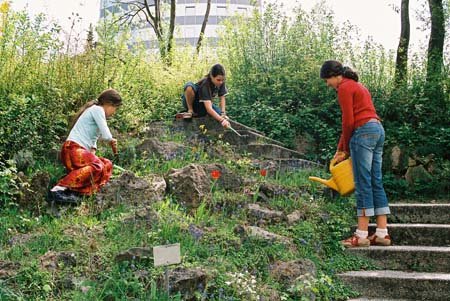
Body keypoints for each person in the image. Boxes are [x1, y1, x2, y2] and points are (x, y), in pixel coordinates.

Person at [320, 60, 391, 248]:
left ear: (334, 76)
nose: (328, 84)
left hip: (364, 132)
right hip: (378, 130)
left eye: (327, 80)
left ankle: (361, 236)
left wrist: (343, 149)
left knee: (362, 182)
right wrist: (343, 146)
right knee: (376, 181)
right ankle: (382, 233)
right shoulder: (359, 86)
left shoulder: (344, 88)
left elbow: (348, 122)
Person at [49, 88, 122, 202]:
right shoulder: (97, 110)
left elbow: (93, 143)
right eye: (115, 108)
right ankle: (59, 188)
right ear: (109, 104)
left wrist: (94, 154)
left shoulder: (96, 113)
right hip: (72, 149)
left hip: (80, 154)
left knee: (106, 164)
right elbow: (106, 135)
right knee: (97, 165)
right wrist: (111, 140)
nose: (114, 112)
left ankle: (82, 191)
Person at [180, 63, 230, 128]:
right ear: (212, 76)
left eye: (222, 80)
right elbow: (209, 109)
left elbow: (222, 97)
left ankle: (199, 114)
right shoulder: (205, 84)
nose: (221, 82)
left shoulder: (221, 82)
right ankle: (190, 110)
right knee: (189, 85)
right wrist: (222, 120)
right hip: (192, 102)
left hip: (203, 104)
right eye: (218, 80)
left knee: (220, 115)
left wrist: (223, 113)